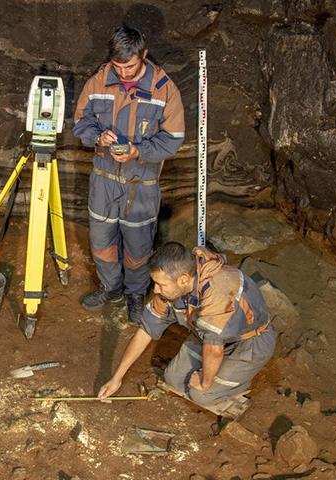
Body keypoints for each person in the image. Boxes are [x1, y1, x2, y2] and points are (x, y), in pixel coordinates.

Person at [73, 26, 185, 325]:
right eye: (117, 66)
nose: (123, 73)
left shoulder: (164, 88)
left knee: (138, 248)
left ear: (143, 55)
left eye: (130, 66)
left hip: (141, 184)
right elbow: (80, 123)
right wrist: (99, 137)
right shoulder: (99, 80)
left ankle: (136, 294)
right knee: (101, 242)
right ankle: (110, 288)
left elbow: (173, 138)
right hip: (104, 182)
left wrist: (139, 152)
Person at [98, 242, 276, 409]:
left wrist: (205, 382)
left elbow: (215, 350)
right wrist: (117, 378)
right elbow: (145, 331)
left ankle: (238, 380)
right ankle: (220, 374)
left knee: (201, 395)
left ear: (183, 280)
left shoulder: (219, 293)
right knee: (173, 379)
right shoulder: (174, 288)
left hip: (249, 343)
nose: (156, 290)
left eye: (161, 284)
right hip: (207, 337)